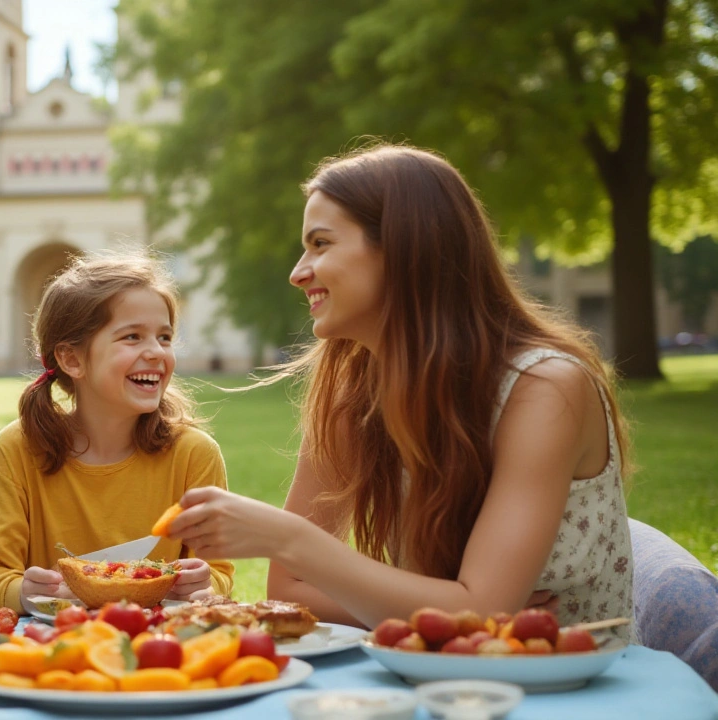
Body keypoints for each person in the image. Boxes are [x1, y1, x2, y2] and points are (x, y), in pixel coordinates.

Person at [164, 144, 634, 640]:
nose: (298, 272)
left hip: (567, 691)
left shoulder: (544, 390)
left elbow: (477, 613)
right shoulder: (355, 395)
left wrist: (289, 539)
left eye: (321, 244)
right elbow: (292, 596)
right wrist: (442, 604)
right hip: (430, 680)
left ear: (405, 248)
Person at [0, 250, 235, 613]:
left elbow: (217, 573)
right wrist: (25, 592)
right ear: (72, 359)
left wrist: (202, 584)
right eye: (133, 337)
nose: (156, 352)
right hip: (55, 648)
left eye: (165, 337)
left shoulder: (194, 454)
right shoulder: (18, 449)